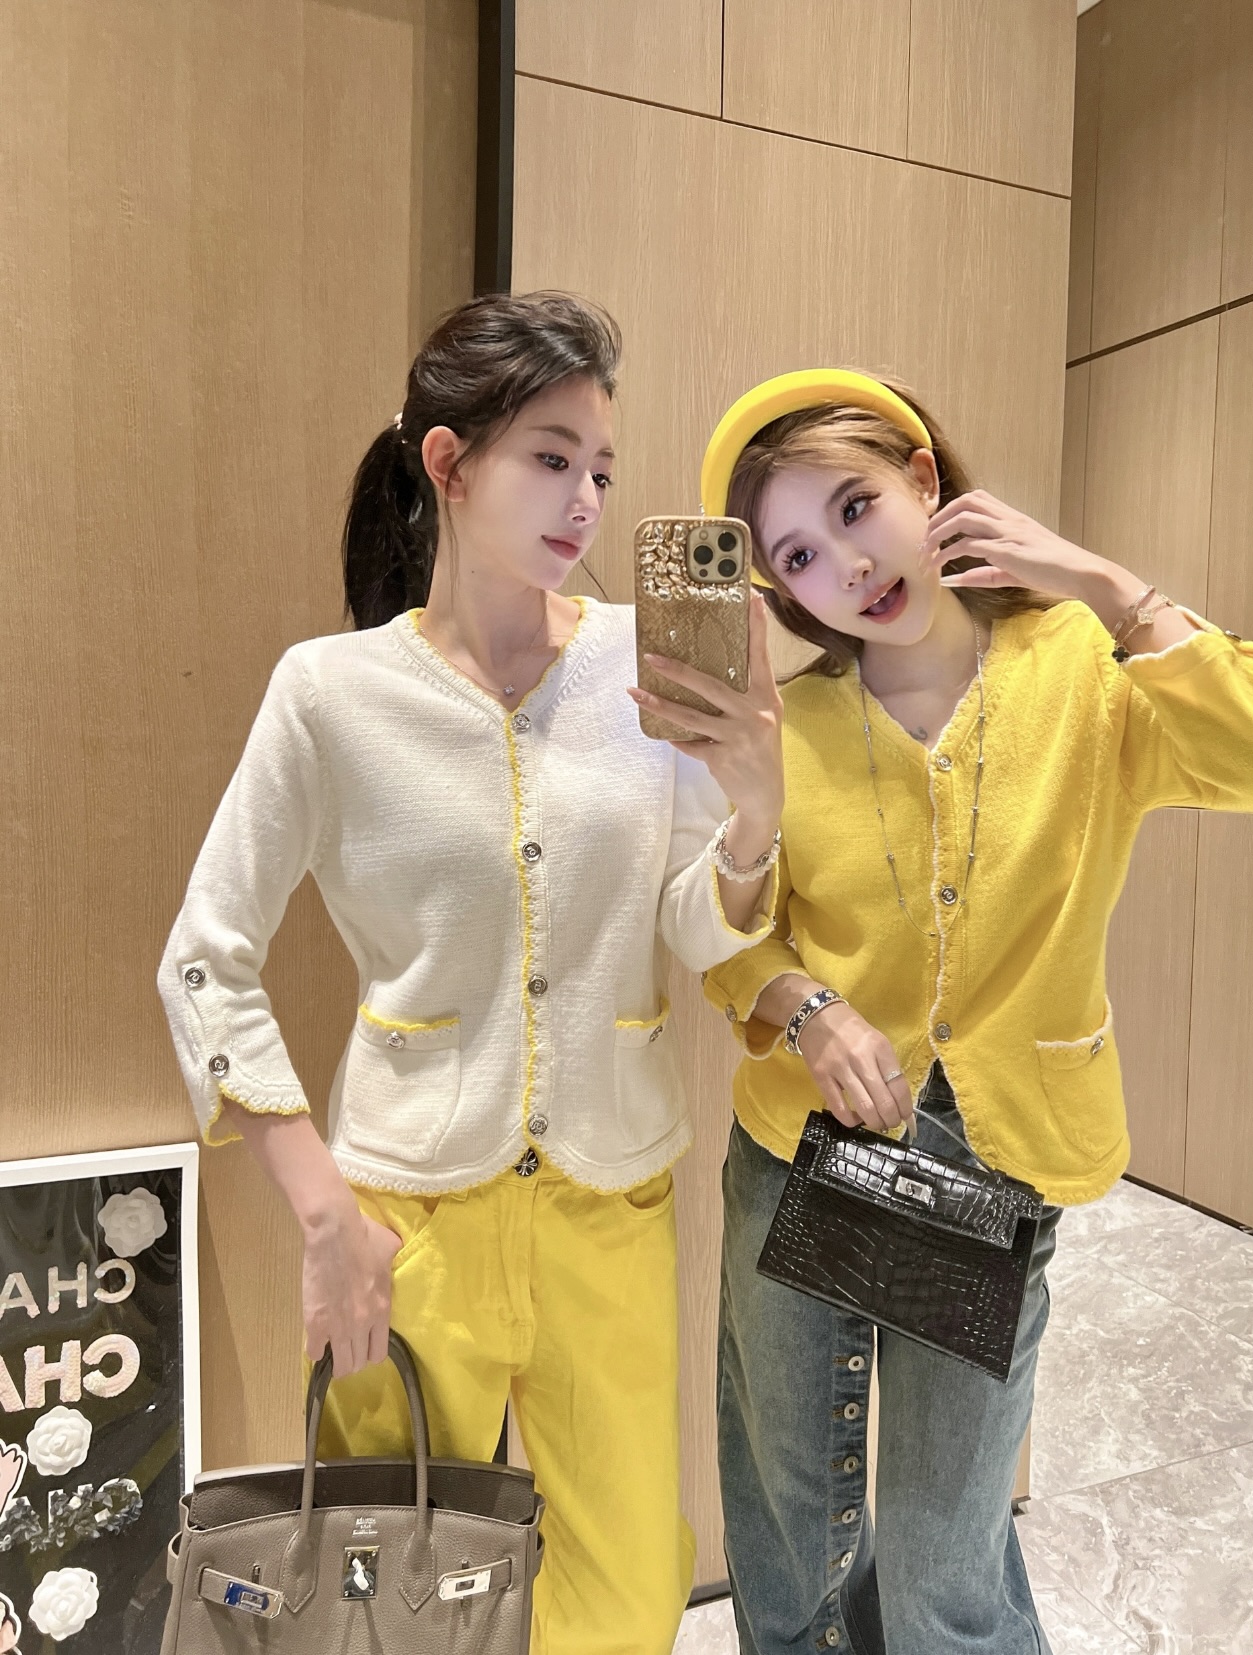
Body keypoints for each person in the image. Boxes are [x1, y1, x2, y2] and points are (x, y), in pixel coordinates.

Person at [157, 292, 786, 1655]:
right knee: (391, 1598)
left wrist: (752, 806)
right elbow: (205, 956)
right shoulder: (330, 692)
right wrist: (324, 1216)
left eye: (601, 467)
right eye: (550, 457)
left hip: (611, 1205)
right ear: (448, 461)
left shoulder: (640, 666)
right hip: (407, 1224)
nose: (586, 499)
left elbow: (703, 928)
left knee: (629, 1589)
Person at [688, 368, 1253, 1655]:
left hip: (991, 1152)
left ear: (926, 478)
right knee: (788, 1528)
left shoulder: (1083, 669)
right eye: (799, 556)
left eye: (857, 507)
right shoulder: (786, 724)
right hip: (802, 1146)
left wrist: (1109, 587)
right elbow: (726, 942)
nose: (846, 566)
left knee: (941, 1556)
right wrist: (807, 1003)